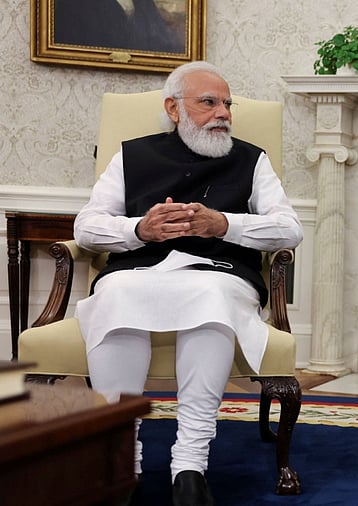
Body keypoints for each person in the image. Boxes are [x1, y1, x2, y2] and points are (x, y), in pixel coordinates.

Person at [73, 61, 302, 506]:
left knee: (210, 296)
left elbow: (290, 228)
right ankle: (123, 461)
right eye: (209, 102)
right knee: (116, 294)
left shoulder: (252, 160)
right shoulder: (132, 156)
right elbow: (86, 227)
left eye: (227, 104)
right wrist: (139, 229)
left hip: (220, 274)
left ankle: (190, 466)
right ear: (173, 108)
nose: (224, 113)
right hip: (138, 272)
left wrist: (226, 225)